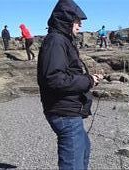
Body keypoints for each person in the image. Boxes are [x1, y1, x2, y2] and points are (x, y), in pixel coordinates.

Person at [38, 0, 98, 169]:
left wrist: (89, 78)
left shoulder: (63, 40)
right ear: (66, 19)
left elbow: (67, 73)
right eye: (77, 21)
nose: (79, 26)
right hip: (64, 113)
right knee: (72, 165)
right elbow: (54, 79)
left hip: (69, 110)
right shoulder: (56, 41)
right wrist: (88, 80)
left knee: (84, 148)